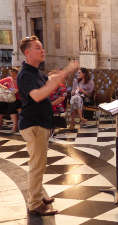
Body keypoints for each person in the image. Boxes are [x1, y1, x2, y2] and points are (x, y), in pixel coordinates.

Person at [17, 35, 79, 216]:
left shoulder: (36, 72)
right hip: (33, 124)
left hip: (41, 123)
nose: (43, 50)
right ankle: (34, 203)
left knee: (40, 163)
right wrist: (62, 74)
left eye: (42, 47)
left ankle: (39, 194)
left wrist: (61, 75)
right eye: (38, 48)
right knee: (36, 164)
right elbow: (37, 95)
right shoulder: (25, 75)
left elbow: (50, 83)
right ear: (28, 53)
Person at [0, 67, 21, 132]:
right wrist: (5, 87)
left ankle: (15, 127)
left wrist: (18, 90)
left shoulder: (20, 80)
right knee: (2, 107)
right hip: (9, 99)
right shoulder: (8, 79)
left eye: (14, 73)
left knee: (14, 110)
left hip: (19, 99)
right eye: (11, 73)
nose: (12, 75)